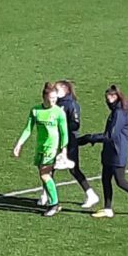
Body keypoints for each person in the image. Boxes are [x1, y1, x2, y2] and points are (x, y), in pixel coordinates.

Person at [81, 85, 128, 219]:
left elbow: (111, 135)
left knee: (120, 181)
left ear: (117, 97)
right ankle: (107, 208)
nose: (108, 100)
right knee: (105, 179)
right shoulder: (117, 110)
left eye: (111, 96)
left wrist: (90, 138)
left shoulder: (119, 112)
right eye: (107, 97)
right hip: (111, 151)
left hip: (117, 152)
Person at [12, 82, 68, 217]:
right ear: (44, 97)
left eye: (55, 98)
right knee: (43, 176)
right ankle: (52, 201)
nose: (54, 101)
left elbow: (64, 132)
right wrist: (19, 144)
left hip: (51, 148)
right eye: (51, 98)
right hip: (40, 147)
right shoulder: (36, 111)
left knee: (45, 175)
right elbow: (28, 129)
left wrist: (63, 150)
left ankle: (54, 204)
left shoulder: (59, 112)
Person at [42, 80, 100, 210]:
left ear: (65, 90)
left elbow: (76, 124)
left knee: (74, 169)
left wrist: (62, 126)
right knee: (49, 167)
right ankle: (45, 195)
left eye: (57, 90)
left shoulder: (71, 105)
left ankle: (91, 194)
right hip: (55, 140)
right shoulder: (56, 103)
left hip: (69, 141)